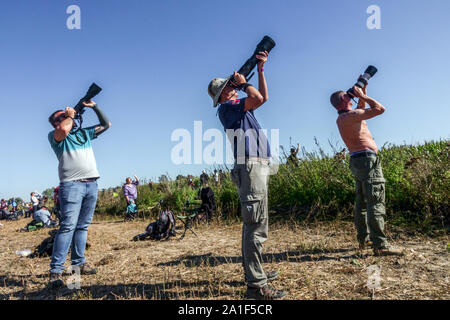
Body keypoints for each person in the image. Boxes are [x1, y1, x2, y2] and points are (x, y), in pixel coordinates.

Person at [208, 50, 285, 299]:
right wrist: (244, 83)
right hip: (250, 167)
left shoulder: (239, 108)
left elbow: (263, 97)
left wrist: (260, 69)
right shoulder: (227, 109)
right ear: (223, 94)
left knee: (256, 223)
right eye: (230, 87)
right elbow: (257, 97)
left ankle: (256, 273)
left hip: (256, 166)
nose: (234, 88)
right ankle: (256, 286)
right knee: (255, 225)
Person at [330, 80, 404, 256]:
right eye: (347, 97)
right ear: (342, 102)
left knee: (362, 202)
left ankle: (364, 239)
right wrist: (363, 95)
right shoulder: (350, 116)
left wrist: (362, 89)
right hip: (368, 161)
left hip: (357, 160)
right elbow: (380, 109)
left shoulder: (345, 117)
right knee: (375, 200)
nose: (351, 98)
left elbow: (361, 109)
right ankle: (380, 245)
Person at [47, 99, 111, 288]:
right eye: (62, 116)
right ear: (56, 122)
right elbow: (64, 130)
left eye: (65, 115)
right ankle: (55, 271)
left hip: (91, 184)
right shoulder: (55, 135)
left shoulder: (83, 133)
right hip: (72, 185)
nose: (66, 116)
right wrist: (70, 116)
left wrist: (96, 107)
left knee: (82, 226)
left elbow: (107, 125)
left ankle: (79, 263)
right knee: (67, 227)